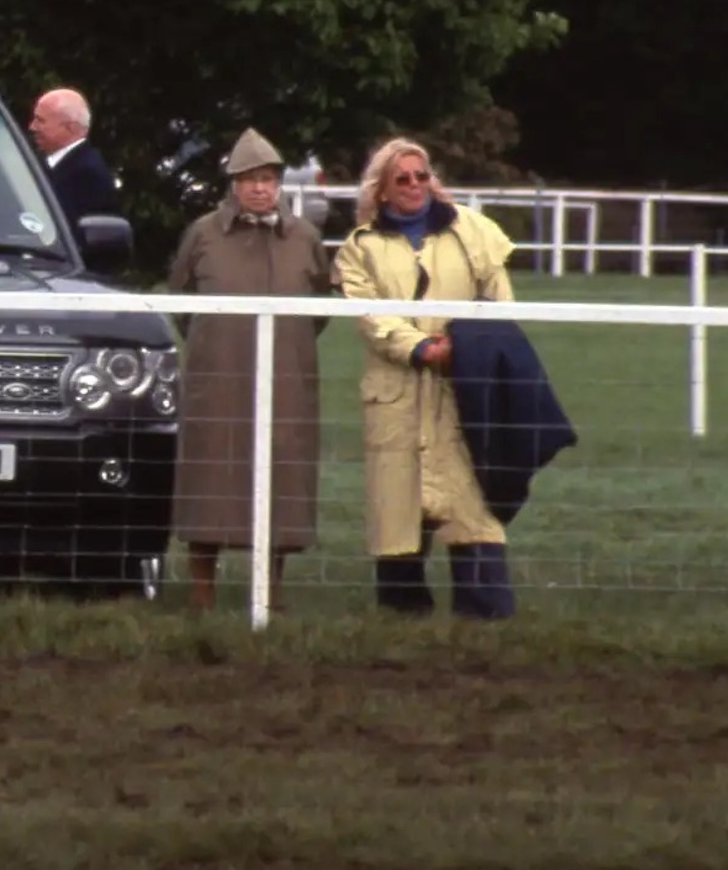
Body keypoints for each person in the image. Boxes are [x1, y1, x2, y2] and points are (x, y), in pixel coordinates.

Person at [333, 137, 521, 620]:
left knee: (470, 504)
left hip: (465, 385)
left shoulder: (472, 231)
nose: (415, 185)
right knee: (397, 509)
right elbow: (370, 315)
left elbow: (499, 300)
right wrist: (418, 347)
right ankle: (402, 618)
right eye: (403, 178)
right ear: (381, 189)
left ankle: (485, 615)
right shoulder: (361, 249)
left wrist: (467, 344)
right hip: (396, 394)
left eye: (422, 175)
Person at [164, 128, 331, 612]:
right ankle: (202, 591)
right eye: (251, 179)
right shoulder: (203, 234)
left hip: (285, 378)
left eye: (269, 179)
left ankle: (272, 591)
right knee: (209, 474)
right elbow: (181, 300)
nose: (261, 189)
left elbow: (319, 307)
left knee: (282, 472)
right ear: (233, 183)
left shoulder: (304, 237)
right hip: (217, 377)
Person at [28, 88, 120, 236]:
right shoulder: (44, 164)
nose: (32, 127)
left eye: (40, 121)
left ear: (70, 127)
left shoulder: (86, 175)